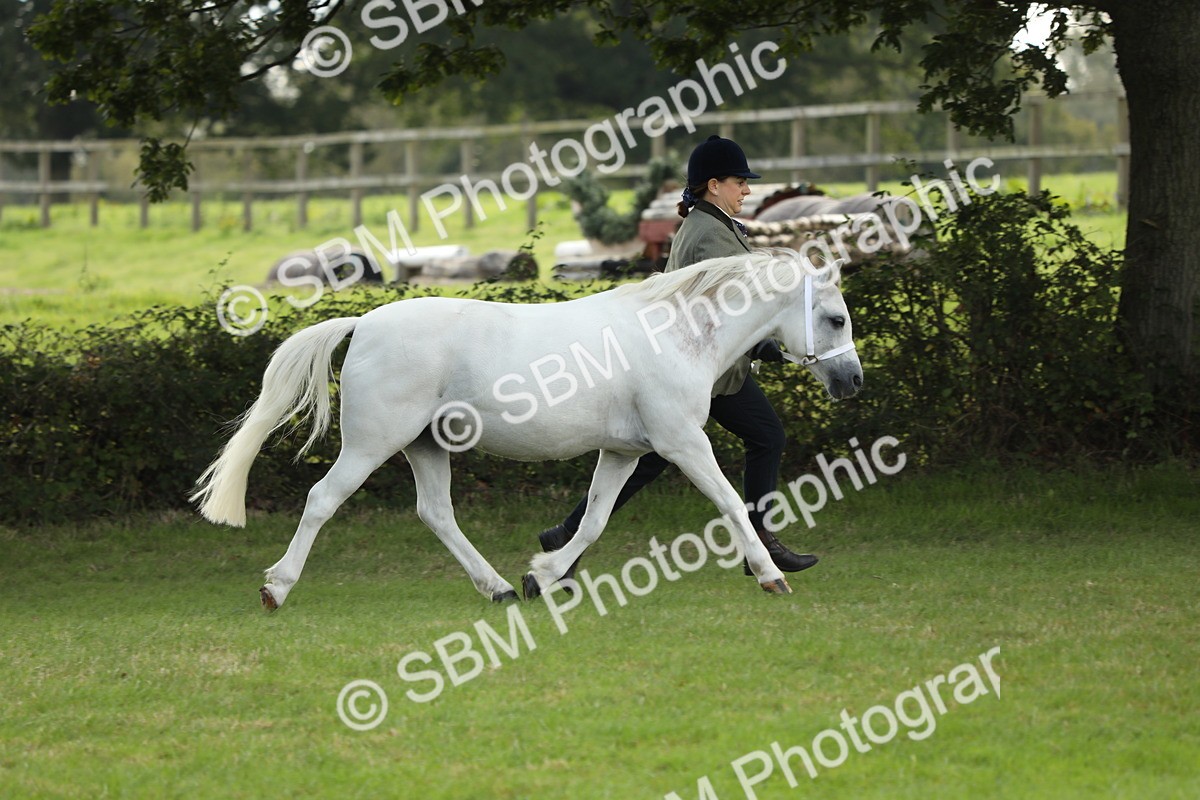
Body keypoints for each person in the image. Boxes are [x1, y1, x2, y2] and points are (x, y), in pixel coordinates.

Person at [539, 134, 818, 582]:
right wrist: (768, 343)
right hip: (705, 370)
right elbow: (732, 306)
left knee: (648, 454)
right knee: (765, 437)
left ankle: (567, 535)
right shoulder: (708, 234)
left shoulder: (715, 224)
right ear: (713, 184)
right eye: (739, 181)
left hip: (702, 365)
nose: (746, 190)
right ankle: (760, 542)